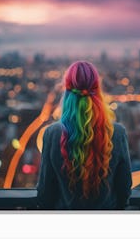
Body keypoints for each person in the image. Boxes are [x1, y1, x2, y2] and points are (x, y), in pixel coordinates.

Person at [37, 61, 132, 210]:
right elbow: (125, 189)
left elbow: (44, 192)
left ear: (67, 93)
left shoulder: (51, 134)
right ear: (98, 91)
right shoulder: (118, 133)